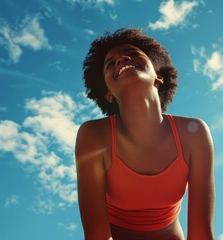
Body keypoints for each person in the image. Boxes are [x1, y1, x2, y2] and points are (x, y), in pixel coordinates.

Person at [75, 28, 215, 240]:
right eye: (110, 63)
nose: (121, 59)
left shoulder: (194, 133)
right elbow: (97, 236)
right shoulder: (94, 136)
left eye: (133, 53)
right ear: (108, 93)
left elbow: (201, 234)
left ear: (158, 76)